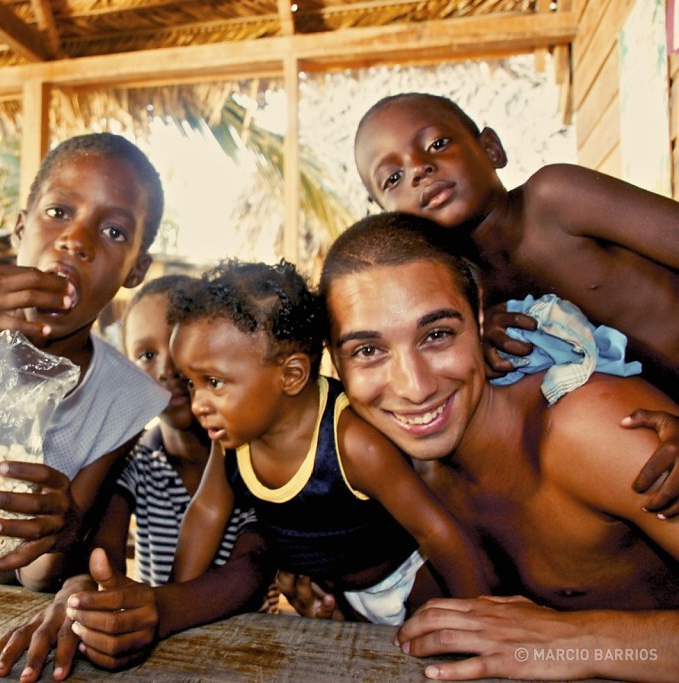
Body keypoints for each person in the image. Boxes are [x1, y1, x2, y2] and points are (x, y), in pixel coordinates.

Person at [318, 212, 679, 681]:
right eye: (369, 351)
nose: (413, 387)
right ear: (334, 360)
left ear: (480, 315)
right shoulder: (382, 462)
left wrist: (572, 640)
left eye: (437, 335)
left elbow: (541, 641)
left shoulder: (592, 430)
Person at [352, 92, 679, 515]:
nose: (418, 170)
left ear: (491, 149)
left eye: (436, 145)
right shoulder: (465, 308)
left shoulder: (556, 198)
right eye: (392, 178)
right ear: (387, 216)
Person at [0, 132, 169, 590]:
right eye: (59, 213)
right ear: (20, 228)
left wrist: (59, 532)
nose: (76, 241)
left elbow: (37, 576)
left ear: (136, 269)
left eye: (113, 232)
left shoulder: (123, 399)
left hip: (6, 620)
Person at [169, 260, 490, 625]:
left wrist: (480, 620)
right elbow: (206, 512)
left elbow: (435, 532)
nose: (198, 404)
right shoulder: (230, 437)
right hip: (343, 600)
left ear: (291, 375)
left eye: (214, 382)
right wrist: (178, 599)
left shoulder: (352, 443)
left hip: (412, 583)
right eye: (191, 383)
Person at [0, 274, 272, 682]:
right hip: (164, 659)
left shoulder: (252, 453)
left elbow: (252, 566)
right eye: (146, 355)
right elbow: (103, 553)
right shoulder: (135, 460)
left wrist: (159, 609)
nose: (169, 368)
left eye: (179, 344)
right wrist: (78, 597)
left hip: (253, 654)